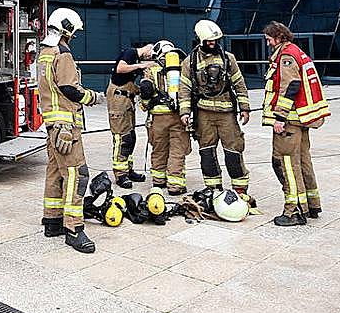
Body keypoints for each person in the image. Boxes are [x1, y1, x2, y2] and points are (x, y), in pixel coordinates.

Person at [38, 8, 105, 253]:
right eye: (73, 32)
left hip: (52, 125)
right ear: (66, 29)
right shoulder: (62, 53)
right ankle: (74, 229)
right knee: (78, 174)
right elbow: (70, 88)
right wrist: (93, 97)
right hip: (66, 126)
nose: (74, 36)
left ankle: (52, 221)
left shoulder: (44, 52)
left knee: (55, 171)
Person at [261, 21, 330, 226]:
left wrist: (280, 118)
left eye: (269, 39)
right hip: (300, 119)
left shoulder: (286, 56)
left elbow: (291, 86)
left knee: (286, 164)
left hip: (289, 122)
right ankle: (312, 205)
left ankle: (294, 211)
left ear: (279, 37)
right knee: (303, 161)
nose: (268, 43)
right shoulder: (296, 52)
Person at [179, 20, 252, 204]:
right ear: (200, 40)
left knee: (233, 151)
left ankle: (240, 190)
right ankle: (213, 189)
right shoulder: (190, 62)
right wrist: (185, 112)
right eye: (209, 41)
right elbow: (184, 89)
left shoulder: (228, 58)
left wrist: (244, 108)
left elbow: (239, 84)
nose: (212, 43)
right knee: (207, 153)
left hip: (227, 113)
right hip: (204, 115)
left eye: (215, 40)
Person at [139, 41, 190, 195]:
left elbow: (145, 92)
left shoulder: (151, 69)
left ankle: (158, 180)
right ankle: (175, 186)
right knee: (177, 151)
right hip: (178, 116)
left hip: (158, 118)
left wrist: (145, 105)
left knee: (159, 149)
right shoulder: (182, 68)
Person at [107, 41, 156, 187]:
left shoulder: (136, 60)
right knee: (122, 137)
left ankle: (128, 170)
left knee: (130, 137)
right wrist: (141, 66)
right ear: (147, 48)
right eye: (151, 53)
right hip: (118, 101)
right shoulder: (131, 53)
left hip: (127, 101)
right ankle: (120, 174)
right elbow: (120, 68)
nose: (150, 57)